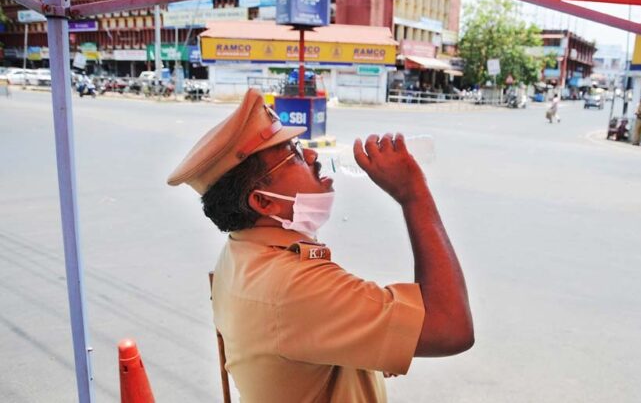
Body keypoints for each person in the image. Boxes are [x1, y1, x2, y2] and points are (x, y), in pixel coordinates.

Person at [167, 89, 474, 402]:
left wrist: (369, 340)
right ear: (262, 202)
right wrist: (413, 194)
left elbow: (294, 336)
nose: (312, 157)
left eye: (299, 147)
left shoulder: (241, 252)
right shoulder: (292, 287)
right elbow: (449, 327)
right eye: (293, 156)